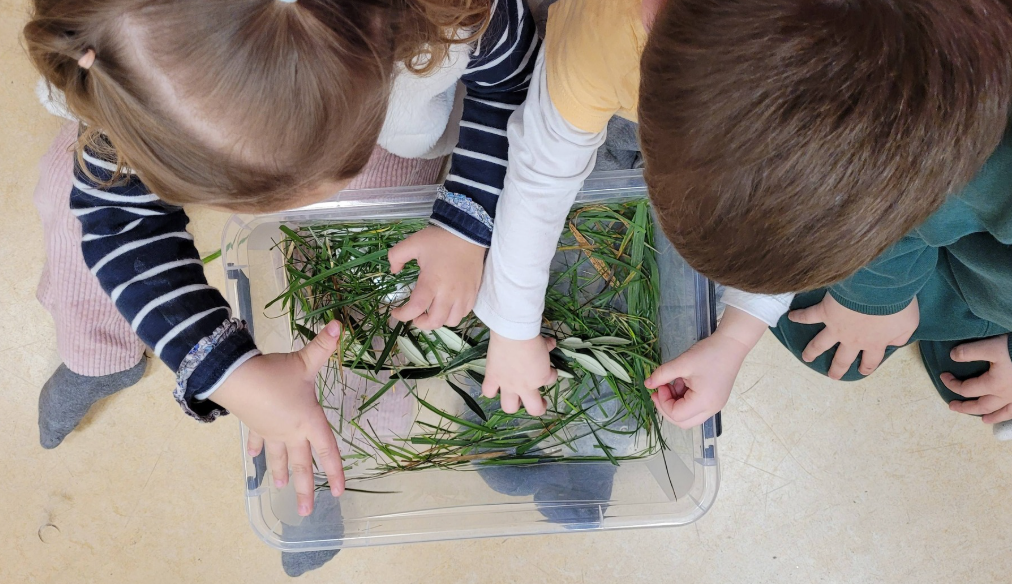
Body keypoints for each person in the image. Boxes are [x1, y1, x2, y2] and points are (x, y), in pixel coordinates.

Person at [23, 0, 538, 535]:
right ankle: (96, 351)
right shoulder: (127, 61)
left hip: (396, 134)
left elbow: (510, 83)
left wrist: (465, 224)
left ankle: (334, 444)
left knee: (373, 273)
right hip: (163, 117)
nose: (283, 210)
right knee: (70, 190)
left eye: (323, 171)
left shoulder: (460, 17)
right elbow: (120, 224)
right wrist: (228, 374)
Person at [636, 0, 1012, 437]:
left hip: (980, 262)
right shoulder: (891, 119)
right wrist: (734, 340)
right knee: (830, 342)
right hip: (935, 216)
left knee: (972, 384)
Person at [465, 0, 793, 424]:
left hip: (682, 102)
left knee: (680, 302)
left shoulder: (856, 120)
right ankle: (524, 398)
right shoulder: (601, 38)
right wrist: (510, 329)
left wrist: (734, 340)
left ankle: (600, 426)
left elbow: (790, 238)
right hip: (603, 88)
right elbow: (540, 179)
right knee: (566, 252)